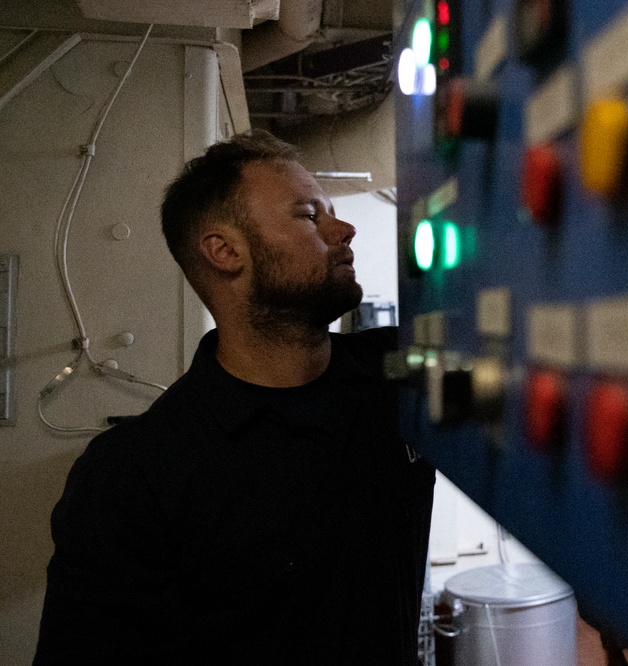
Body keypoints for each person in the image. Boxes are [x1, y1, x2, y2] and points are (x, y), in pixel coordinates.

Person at [34, 131, 435, 665]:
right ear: (224, 251)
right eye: (309, 216)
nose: (344, 229)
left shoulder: (402, 377)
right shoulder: (132, 476)